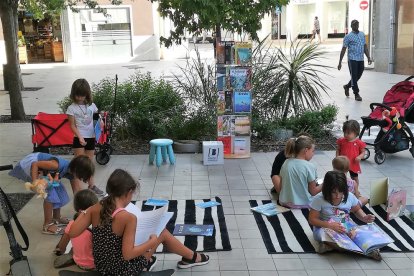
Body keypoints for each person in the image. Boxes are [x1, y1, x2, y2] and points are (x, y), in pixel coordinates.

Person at [69, 169, 210, 275]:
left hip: (102, 267)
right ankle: (192, 257)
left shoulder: (95, 208)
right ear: (128, 192)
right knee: (161, 233)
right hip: (122, 271)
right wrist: (152, 243)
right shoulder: (127, 217)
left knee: (156, 234)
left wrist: (86, 210)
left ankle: (189, 257)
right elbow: (128, 254)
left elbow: (73, 232)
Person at [8, 153, 94, 234]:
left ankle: (56, 218)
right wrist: (36, 183)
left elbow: (76, 192)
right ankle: (47, 225)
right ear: (76, 170)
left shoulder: (72, 172)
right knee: (51, 194)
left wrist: (83, 210)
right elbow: (35, 164)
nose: (81, 179)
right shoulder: (56, 165)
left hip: (46, 173)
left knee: (60, 191)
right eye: (81, 176)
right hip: (30, 165)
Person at [308, 171, 381, 260]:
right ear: (326, 189)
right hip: (325, 228)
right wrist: (329, 225)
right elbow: (312, 220)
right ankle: (366, 252)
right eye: (334, 192)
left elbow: (356, 209)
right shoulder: (319, 199)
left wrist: (364, 217)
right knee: (324, 236)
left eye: (341, 192)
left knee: (361, 234)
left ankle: (330, 247)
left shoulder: (349, 196)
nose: (338, 196)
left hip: (346, 224)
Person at [66, 78, 105, 197]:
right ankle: (77, 190)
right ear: (73, 94)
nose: (79, 98)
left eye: (82, 95)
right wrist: (80, 137)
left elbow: (97, 117)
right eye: (77, 95)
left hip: (91, 137)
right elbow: (72, 125)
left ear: (86, 94)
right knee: (79, 163)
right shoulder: (71, 108)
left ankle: (92, 185)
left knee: (89, 162)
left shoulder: (91, 106)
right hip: (79, 138)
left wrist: (101, 121)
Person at [54, 189, 99, 270]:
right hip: (95, 264)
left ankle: (76, 256)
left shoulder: (71, 223)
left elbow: (62, 247)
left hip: (78, 261)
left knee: (76, 245)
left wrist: (60, 250)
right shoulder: (96, 225)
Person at [278, 136, 322, 208]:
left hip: (283, 202)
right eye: (313, 151)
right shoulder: (309, 166)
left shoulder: (286, 162)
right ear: (306, 150)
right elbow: (313, 192)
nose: (313, 154)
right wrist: (324, 184)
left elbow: (280, 186)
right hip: (303, 204)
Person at [338, 19, 372, 101]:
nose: (356, 26)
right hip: (352, 59)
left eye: (357, 24)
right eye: (354, 24)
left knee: (358, 75)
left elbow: (365, 47)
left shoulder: (362, 34)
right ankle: (356, 93)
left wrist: (368, 57)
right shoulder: (348, 37)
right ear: (351, 26)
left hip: (360, 58)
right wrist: (340, 62)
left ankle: (347, 86)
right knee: (354, 76)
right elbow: (343, 49)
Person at [336, 119, 366, 188]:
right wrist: (337, 157)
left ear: (355, 133)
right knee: (342, 177)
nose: (346, 135)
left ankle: (356, 189)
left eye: (348, 133)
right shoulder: (341, 141)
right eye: (344, 132)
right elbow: (338, 150)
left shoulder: (359, 143)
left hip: (353, 163)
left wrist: (359, 157)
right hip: (343, 163)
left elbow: (363, 152)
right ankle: (343, 189)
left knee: (354, 178)